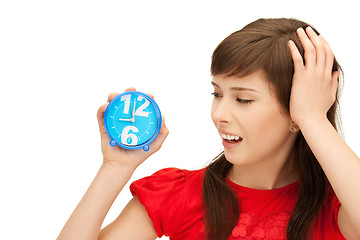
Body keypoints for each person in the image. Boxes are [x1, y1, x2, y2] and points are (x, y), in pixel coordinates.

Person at [57, 18, 360, 240]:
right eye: (217, 93)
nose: (219, 113)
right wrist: (115, 167)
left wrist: (312, 117)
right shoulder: (180, 195)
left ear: (297, 111)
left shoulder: (336, 206)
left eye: (243, 99)